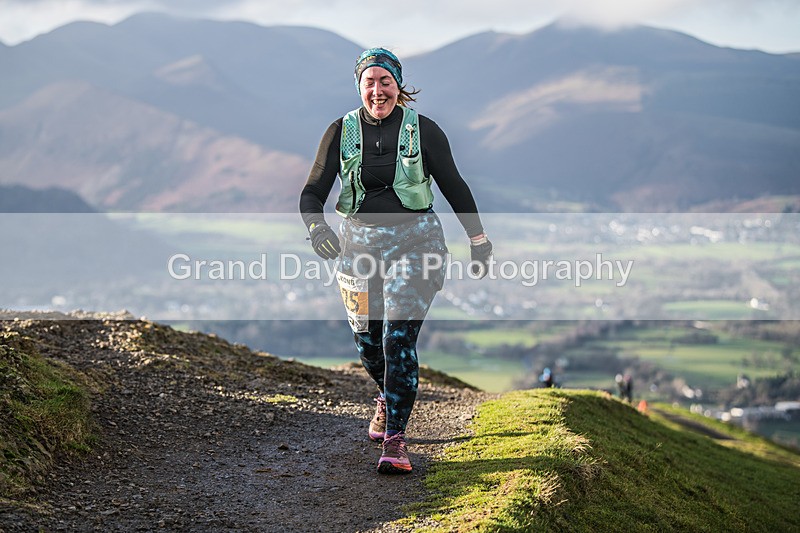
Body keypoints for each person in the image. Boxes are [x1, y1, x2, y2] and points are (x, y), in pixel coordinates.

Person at [299, 48, 492, 475]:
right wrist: (317, 228)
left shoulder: (424, 131)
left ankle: (396, 440)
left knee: (396, 337)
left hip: (416, 243)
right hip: (358, 247)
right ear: (359, 87)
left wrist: (477, 239)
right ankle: (387, 395)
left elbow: (455, 186)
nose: (377, 89)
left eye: (385, 81)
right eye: (369, 81)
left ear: (398, 85)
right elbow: (312, 192)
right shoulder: (340, 131)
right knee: (368, 343)